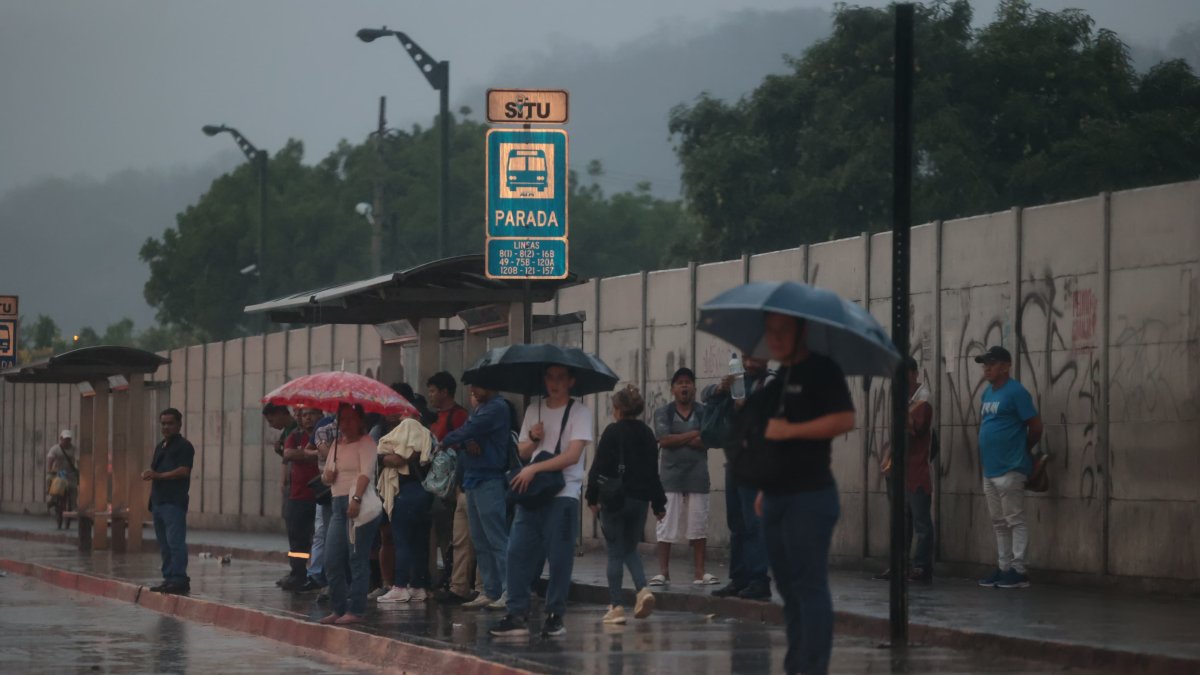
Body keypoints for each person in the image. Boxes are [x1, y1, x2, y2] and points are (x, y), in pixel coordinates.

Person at [745, 313, 855, 675]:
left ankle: (813, 667)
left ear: (802, 331)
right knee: (787, 589)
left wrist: (791, 430)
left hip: (811, 495)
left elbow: (844, 420)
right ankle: (797, 665)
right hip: (775, 496)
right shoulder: (774, 384)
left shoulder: (822, 370)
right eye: (769, 331)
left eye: (783, 330)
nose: (774, 338)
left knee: (809, 585)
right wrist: (764, 487)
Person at [490, 365, 594, 638]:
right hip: (533, 493)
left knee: (559, 557)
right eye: (549, 377)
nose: (554, 383)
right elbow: (523, 451)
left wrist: (534, 469)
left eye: (561, 378)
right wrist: (534, 438)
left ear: (571, 381)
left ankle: (555, 615)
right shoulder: (534, 409)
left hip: (563, 494)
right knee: (517, 551)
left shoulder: (580, 412)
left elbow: (572, 455)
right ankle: (516, 612)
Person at [585, 384, 665, 624]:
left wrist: (591, 497)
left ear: (618, 409)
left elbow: (598, 467)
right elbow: (653, 473)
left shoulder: (612, 432)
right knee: (630, 549)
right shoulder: (648, 434)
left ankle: (616, 606)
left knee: (615, 552)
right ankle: (642, 590)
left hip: (614, 499)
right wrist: (659, 504)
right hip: (640, 500)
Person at [439, 382, 513, 611]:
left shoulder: (496, 407)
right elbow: (469, 433)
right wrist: (465, 441)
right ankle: (490, 590)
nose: (472, 389)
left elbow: (472, 428)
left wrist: (448, 440)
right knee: (480, 540)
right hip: (472, 477)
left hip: (490, 478)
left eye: (478, 385)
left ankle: (509, 590)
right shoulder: (480, 407)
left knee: (496, 538)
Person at [706, 356, 774, 600]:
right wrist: (719, 388)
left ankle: (758, 580)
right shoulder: (737, 382)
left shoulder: (771, 383)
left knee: (753, 523)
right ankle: (739, 578)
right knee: (736, 524)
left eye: (755, 356)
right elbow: (706, 397)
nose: (749, 361)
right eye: (746, 357)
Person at [975, 345, 1042, 590]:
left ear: (1006, 366)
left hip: (1011, 467)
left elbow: (1035, 426)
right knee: (998, 522)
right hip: (990, 469)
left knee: (1014, 519)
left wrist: (1022, 449)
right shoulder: (987, 394)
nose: (987, 368)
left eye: (991, 364)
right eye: (985, 364)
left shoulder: (1016, 392)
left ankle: (1019, 570)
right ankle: (1003, 567)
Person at [650, 367, 717, 586]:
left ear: (694, 387)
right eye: (680, 383)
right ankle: (663, 571)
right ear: (672, 389)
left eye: (688, 382)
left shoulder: (704, 411)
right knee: (666, 524)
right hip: (670, 476)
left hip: (697, 476)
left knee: (698, 524)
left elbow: (706, 440)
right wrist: (692, 434)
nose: (684, 386)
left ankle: (700, 572)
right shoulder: (663, 412)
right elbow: (664, 439)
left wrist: (678, 437)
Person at [318, 404, 383, 625]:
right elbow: (326, 478)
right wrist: (328, 474)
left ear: (360, 420)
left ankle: (356, 609)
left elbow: (366, 473)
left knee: (357, 559)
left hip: (359, 505)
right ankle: (338, 608)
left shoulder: (366, 444)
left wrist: (355, 499)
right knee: (332, 559)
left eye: (350, 419)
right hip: (337, 505)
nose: (345, 424)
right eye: (342, 419)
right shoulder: (336, 444)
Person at [875, 357, 935, 583]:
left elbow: (913, 429)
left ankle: (921, 567)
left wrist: (906, 409)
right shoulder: (906, 399)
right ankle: (900, 565)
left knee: (920, 522)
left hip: (916, 471)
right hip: (899, 471)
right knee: (901, 522)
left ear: (912, 374)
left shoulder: (922, 400)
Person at [426, 371, 478, 605]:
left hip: (452, 488)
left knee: (455, 538)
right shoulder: (436, 418)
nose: (431, 395)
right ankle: (448, 581)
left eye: (433, 390)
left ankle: (456, 582)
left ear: (445, 392)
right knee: (446, 536)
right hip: (437, 485)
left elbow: (460, 450)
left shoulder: (458, 417)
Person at [376, 407, 435, 603]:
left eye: (404, 412)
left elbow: (400, 457)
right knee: (419, 541)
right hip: (422, 492)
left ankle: (400, 585)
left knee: (402, 540)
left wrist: (383, 458)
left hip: (407, 491)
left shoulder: (410, 427)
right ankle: (418, 585)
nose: (401, 416)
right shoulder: (426, 433)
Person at [142, 408, 196, 596]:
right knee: (164, 544)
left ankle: (179, 579)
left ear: (179, 425)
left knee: (175, 542)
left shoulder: (184, 446)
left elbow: (183, 471)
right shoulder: (160, 446)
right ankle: (169, 577)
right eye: (163, 423)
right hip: (158, 501)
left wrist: (158, 475)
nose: (166, 427)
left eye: (170, 423)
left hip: (174, 502)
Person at [280, 407, 322, 592]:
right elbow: (288, 454)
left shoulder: (325, 436)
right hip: (298, 496)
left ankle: (319, 575)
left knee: (320, 537)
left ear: (320, 416)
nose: (308, 419)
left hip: (321, 496)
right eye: (304, 415)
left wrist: (302, 454)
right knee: (297, 538)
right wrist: (311, 454)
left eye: (312, 414)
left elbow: (326, 455)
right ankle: (298, 573)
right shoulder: (295, 437)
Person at [263, 403, 298, 588]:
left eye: (272, 420)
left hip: (297, 489)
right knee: (294, 533)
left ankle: (300, 571)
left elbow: (292, 457)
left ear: (281, 413)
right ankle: (297, 570)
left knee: (298, 533)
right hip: (291, 487)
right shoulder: (287, 432)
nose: (270, 425)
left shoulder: (296, 431)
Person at [45, 429, 79, 530]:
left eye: (68, 439)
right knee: (49, 479)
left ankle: (73, 507)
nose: (67, 441)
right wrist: (51, 471)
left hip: (70, 473)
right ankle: (51, 499)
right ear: (61, 439)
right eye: (65, 439)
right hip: (58, 473)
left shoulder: (74, 449)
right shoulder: (55, 449)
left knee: (73, 489)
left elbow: (78, 460)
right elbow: (50, 459)